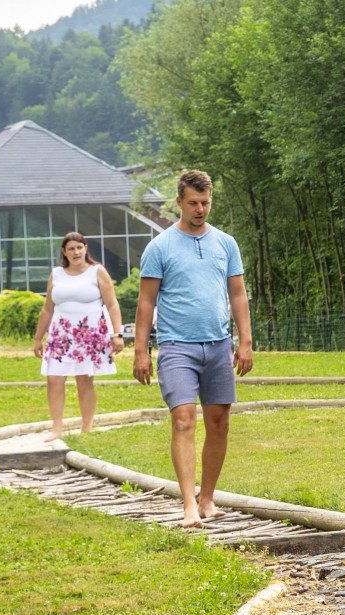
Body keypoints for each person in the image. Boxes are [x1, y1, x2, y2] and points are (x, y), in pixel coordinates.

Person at [133, 169, 254, 529]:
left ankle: (207, 500)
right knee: (184, 419)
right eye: (193, 203)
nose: (200, 209)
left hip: (218, 345)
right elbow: (145, 303)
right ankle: (187, 505)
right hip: (176, 345)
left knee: (219, 423)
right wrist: (141, 351)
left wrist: (245, 340)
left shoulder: (225, 244)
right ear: (179, 203)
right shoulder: (160, 247)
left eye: (206, 203)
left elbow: (237, 294)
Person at [33, 232, 125, 441]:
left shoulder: (97, 271)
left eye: (79, 247)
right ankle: (57, 428)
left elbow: (112, 304)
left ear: (85, 249)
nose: (76, 252)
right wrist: (38, 338)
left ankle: (87, 427)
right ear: (64, 252)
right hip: (61, 335)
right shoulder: (56, 274)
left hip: (88, 335)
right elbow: (47, 309)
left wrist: (117, 334)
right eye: (71, 249)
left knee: (84, 381)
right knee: (54, 379)